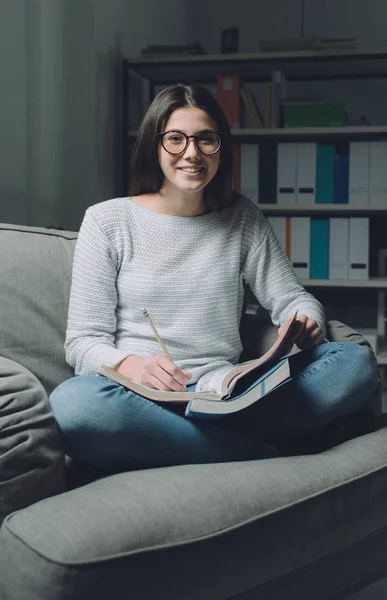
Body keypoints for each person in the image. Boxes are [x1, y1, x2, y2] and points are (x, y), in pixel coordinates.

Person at [49, 83, 379, 470]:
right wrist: (130, 365)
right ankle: (250, 452)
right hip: (142, 398)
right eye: (175, 139)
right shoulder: (107, 221)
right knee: (73, 405)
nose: (192, 153)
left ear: (221, 149)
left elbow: (292, 298)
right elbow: (83, 343)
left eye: (206, 140)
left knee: (355, 363)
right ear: (154, 146)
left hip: (228, 395)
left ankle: (203, 443)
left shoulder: (241, 217)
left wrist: (305, 319)